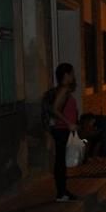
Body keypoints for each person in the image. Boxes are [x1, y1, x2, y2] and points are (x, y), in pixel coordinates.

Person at [46, 63, 79, 202]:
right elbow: (55, 109)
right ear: (66, 75)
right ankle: (61, 193)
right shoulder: (64, 90)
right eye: (71, 73)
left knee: (61, 161)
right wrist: (68, 123)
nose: (73, 76)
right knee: (60, 162)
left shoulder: (64, 89)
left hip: (61, 129)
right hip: (61, 130)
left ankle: (63, 191)